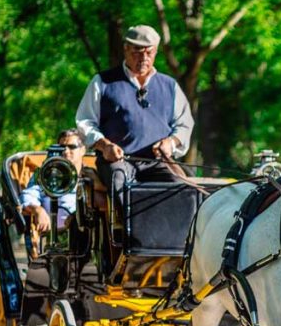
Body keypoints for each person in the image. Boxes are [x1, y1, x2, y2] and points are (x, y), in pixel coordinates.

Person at [75, 25, 194, 201]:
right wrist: (104, 146)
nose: (143, 58)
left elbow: (185, 124)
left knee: (179, 186)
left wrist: (171, 142)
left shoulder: (170, 86)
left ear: (156, 52)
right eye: (137, 52)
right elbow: (85, 121)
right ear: (126, 49)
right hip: (118, 161)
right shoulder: (103, 82)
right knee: (120, 182)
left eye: (149, 53)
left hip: (157, 162)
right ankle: (127, 229)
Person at [20, 129, 88, 233]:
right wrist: (38, 210)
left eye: (72, 147)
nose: (65, 151)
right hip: (53, 237)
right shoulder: (46, 174)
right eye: (62, 147)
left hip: (86, 234)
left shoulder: (91, 176)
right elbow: (29, 195)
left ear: (83, 150)